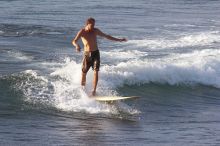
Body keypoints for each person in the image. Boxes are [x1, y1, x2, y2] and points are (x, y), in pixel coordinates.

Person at [72, 17, 127, 96]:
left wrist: (119, 40)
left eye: (94, 24)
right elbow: (74, 41)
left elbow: (106, 36)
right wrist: (77, 45)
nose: (93, 26)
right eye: (92, 25)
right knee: (84, 73)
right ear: (87, 24)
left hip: (96, 53)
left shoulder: (95, 31)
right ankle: (82, 90)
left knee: (96, 72)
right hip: (87, 54)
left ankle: (94, 91)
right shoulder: (82, 32)